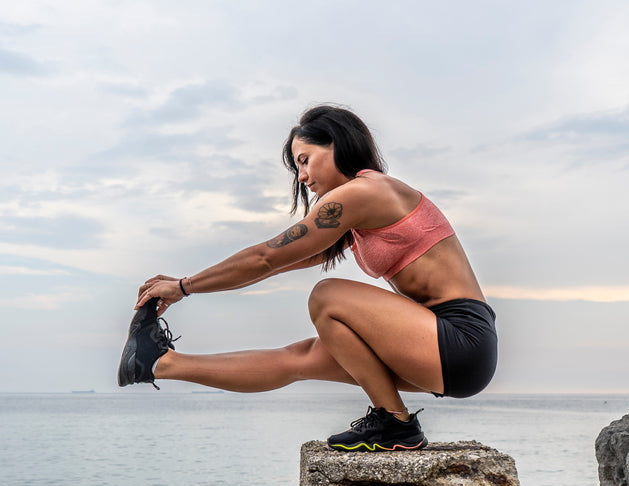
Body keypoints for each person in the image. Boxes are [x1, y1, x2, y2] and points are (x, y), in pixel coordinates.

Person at [119, 105, 497, 451]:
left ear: (336, 144)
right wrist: (191, 284)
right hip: (438, 349)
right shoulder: (357, 213)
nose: (302, 177)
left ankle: (395, 423)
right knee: (300, 357)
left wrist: (184, 287)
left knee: (327, 296)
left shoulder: (366, 191)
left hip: (461, 339)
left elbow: (265, 257)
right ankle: (160, 364)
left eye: (305, 161)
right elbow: (277, 262)